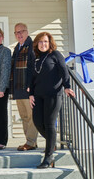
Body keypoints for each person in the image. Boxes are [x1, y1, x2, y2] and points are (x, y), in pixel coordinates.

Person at [28, 32, 75, 168]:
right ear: (36, 43)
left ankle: (48, 157)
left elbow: (63, 71)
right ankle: (52, 142)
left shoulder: (55, 55)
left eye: (46, 42)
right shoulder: (35, 57)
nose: (43, 44)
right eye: (41, 42)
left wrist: (67, 87)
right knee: (37, 122)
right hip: (38, 95)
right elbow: (31, 77)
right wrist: (30, 93)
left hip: (53, 95)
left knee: (49, 124)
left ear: (50, 43)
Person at [10, 23, 39, 151]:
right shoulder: (18, 47)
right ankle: (30, 141)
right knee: (24, 116)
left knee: (31, 116)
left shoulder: (32, 47)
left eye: (22, 31)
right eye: (17, 32)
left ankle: (31, 141)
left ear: (27, 32)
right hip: (18, 88)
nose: (19, 34)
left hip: (28, 88)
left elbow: (33, 69)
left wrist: (30, 86)